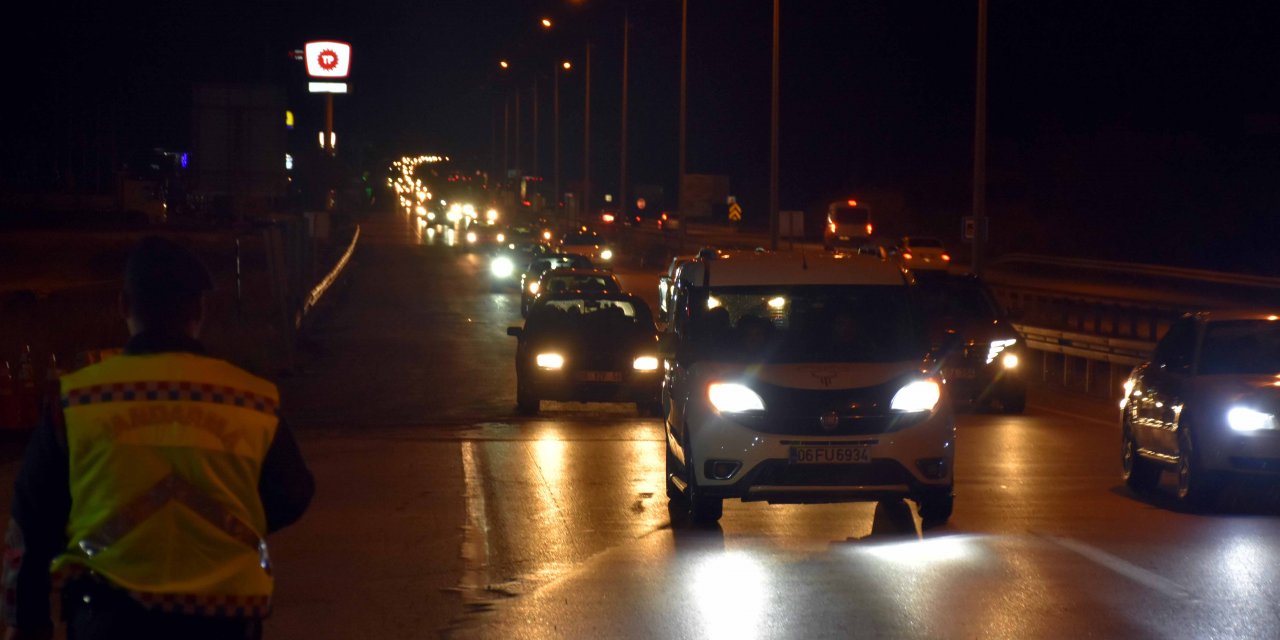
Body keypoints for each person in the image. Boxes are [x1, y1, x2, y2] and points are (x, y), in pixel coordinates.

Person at [2, 236, 315, 640]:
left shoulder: (78, 401)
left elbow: (32, 521)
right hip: (224, 619)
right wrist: (225, 526)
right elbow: (294, 493)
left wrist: (26, 620)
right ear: (199, 310)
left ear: (124, 306)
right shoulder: (250, 399)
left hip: (110, 619)